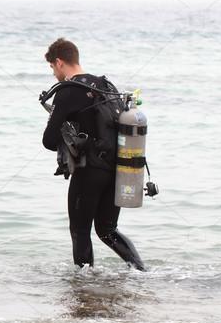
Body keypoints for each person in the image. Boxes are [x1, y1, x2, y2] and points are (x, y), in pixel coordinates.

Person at [41, 38, 145, 270]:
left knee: (80, 231)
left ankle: (83, 288)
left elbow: (48, 141)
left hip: (90, 171)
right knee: (107, 230)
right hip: (118, 168)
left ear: (59, 63)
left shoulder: (68, 91)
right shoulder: (106, 86)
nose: (54, 74)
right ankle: (141, 271)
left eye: (52, 68)